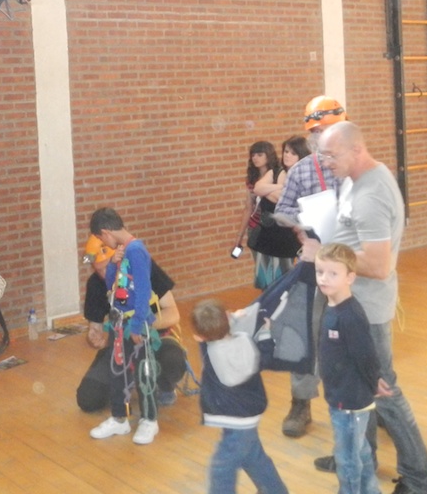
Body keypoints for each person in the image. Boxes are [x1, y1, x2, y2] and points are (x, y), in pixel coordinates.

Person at [301, 121, 427, 494]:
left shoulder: (372, 194)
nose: (325, 162)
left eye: (331, 155)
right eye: (322, 155)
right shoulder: (354, 179)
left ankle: (420, 479)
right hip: (349, 300)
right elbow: (352, 238)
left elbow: (379, 266)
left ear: (356, 150)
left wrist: (322, 254)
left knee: (384, 391)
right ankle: (363, 459)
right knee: (360, 387)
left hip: (366, 310)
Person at [274, 96, 347, 440]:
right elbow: (283, 211)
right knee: (303, 331)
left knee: (359, 333)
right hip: (315, 261)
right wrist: (304, 226)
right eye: (316, 131)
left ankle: (371, 401)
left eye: (327, 129)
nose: (321, 136)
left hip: (354, 261)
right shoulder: (302, 170)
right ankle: (300, 402)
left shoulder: (359, 167)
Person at [76, 234, 188, 412]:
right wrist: (93, 337)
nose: (105, 274)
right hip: (120, 345)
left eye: (108, 266)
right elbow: (95, 328)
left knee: (173, 362)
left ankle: (162, 384)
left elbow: (173, 313)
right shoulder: (95, 284)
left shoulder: (144, 268)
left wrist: (138, 326)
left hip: (157, 338)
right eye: (99, 269)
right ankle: (132, 377)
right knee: (88, 398)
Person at [316, 242, 392, 494]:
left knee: (348, 461)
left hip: (349, 402)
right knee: (361, 453)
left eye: (333, 273)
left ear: (350, 277)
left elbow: (366, 354)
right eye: (320, 272)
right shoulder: (332, 306)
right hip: (342, 396)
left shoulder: (349, 316)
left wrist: (373, 381)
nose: (324, 278)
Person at [191, 298, 290, 494]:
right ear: (227, 318)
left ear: (198, 337)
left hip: (233, 420)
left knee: (221, 469)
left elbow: (212, 336)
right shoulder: (245, 342)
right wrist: (265, 334)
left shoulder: (210, 352)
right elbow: (264, 357)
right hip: (249, 413)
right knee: (256, 460)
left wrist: (231, 319)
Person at [87, 208, 160, 445]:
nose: (103, 244)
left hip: (136, 322)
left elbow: (144, 290)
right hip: (119, 321)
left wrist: (137, 325)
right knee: (117, 371)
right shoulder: (122, 251)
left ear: (106, 232)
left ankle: (150, 420)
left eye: (101, 239)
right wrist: (112, 264)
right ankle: (120, 418)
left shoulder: (136, 250)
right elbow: (112, 285)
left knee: (144, 371)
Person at [235, 141, 286, 289]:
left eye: (259, 154)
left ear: (268, 155)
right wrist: (239, 237)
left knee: (279, 272)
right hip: (256, 228)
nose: (255, 158)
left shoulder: (279, 173)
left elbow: (281, 199)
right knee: (262, 273)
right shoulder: (252, 178)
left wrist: (266, 190)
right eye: (253, 155)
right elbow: (248, 208)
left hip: (275, 229)